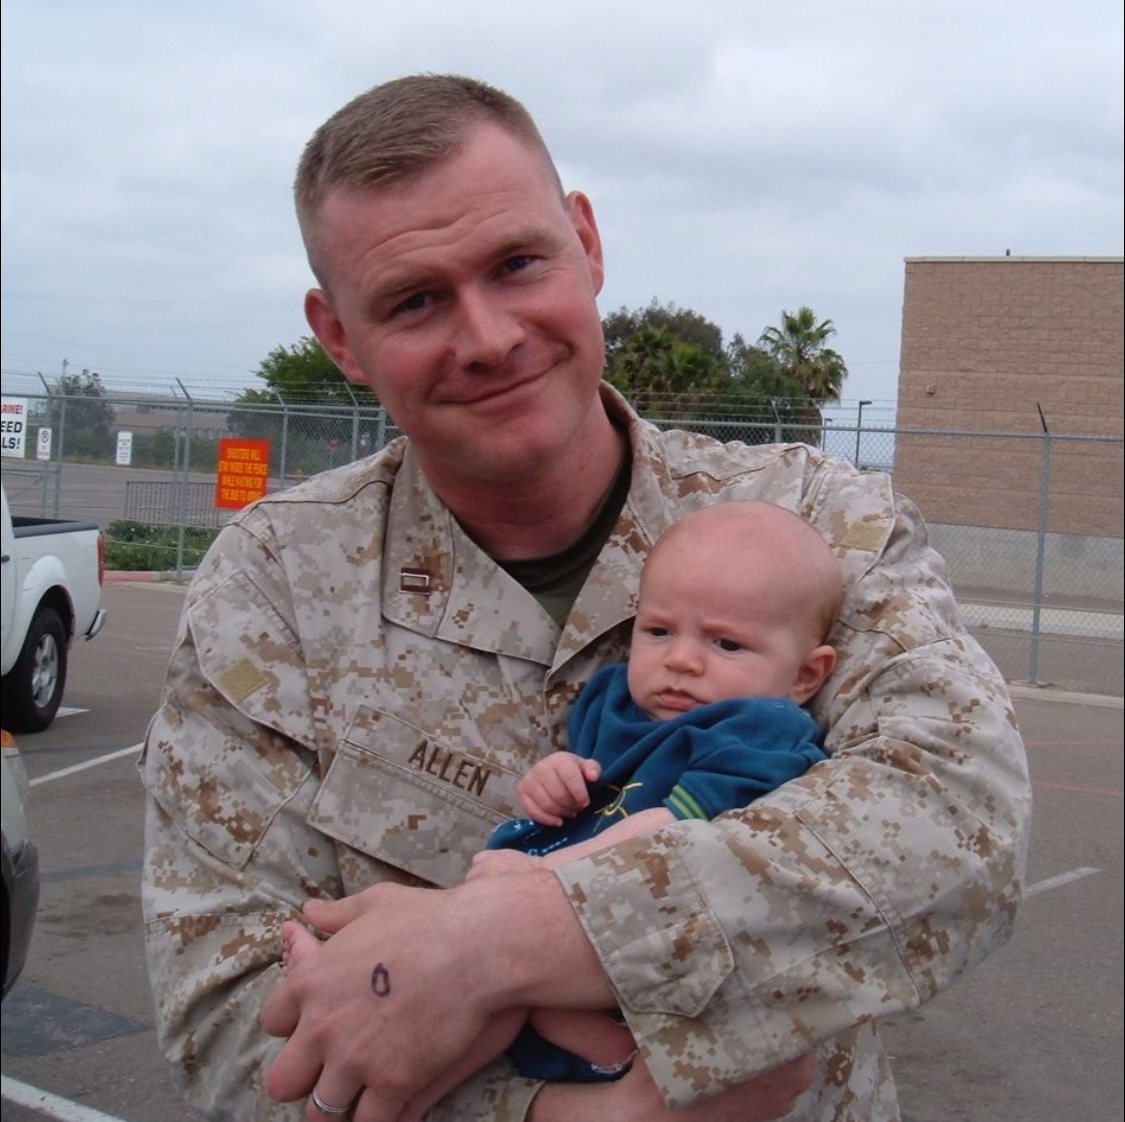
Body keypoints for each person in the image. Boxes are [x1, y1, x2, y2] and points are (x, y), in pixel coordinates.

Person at [140, 74, 1030, 1122]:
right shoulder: (276, 587)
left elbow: (962, 822)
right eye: (414, 300)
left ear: (587, 244)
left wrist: (497, 943)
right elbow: (230, 1014)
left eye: (517, 264)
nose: (487, 336)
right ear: (339, 335)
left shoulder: (817, 524)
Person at [281, 500, 842, 1113]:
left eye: (726, 643)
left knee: (499, 992)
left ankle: (608, 1057)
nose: (680, 659)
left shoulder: (757, 729)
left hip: (639, 933)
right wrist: (556, 775)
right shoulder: (616, 700)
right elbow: (596, 783)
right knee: (462, 1007)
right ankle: (396, 1091)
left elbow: (668, 827)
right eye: (657, 631)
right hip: (542, 901)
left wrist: (542, 883)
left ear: (805, 677)